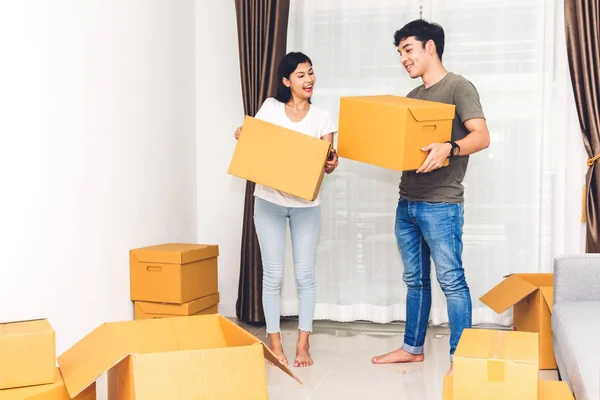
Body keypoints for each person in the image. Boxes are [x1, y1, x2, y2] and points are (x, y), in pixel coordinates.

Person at [371, 20, 490, 367]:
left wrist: (449, 147)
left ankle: (461, 358)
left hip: (441, 204)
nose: (403, 59)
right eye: (399, 53)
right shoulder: (412, 97)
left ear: (430, 48)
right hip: (407, 201)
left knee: (451, 280)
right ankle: (412, 348)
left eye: (408, 50)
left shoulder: (458, 87)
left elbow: (481, 136)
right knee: (415, 280)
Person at [234, 52, 339, 368]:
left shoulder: (322, 116)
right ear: (286, 81)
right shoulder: (270, 108)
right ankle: (274, 339)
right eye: (300, 75)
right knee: (274, 274)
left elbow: (327, 162)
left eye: (311, 73)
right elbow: (250, 139)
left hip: (306, 206)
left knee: (305, 274)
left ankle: (303, 344)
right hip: (269, 203)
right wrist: (241, 134)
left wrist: (331, 163)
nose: (309, 80)